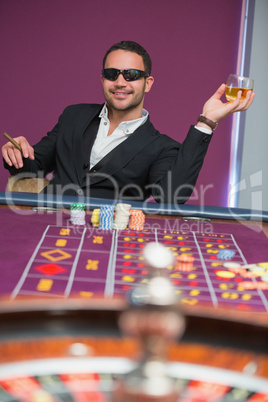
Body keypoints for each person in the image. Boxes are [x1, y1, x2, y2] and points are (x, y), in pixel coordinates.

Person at [2, 41, 254, 204]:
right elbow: (33, 169)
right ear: (102, 79)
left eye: (132, 75)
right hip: (44, 227)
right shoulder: (73, 115)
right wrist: (17, 153)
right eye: (112, 74)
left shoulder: (162, 148)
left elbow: (171, 196)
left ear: (148, 83)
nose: (120, 82)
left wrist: (206, 122)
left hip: (109, 240)